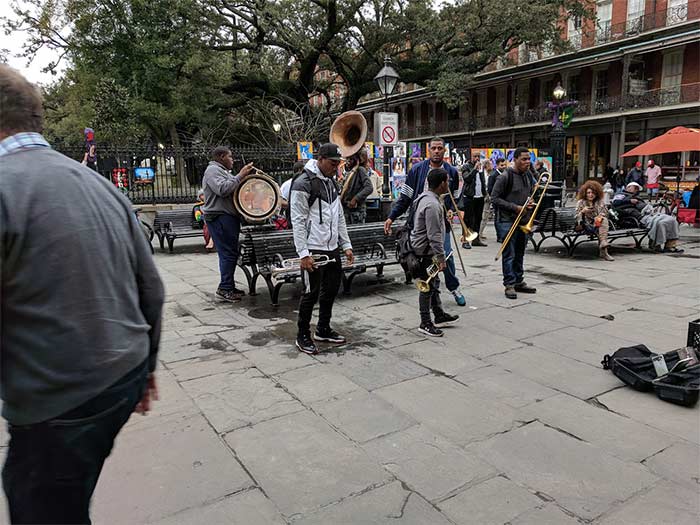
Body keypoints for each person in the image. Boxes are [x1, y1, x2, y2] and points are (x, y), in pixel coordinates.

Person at [0, 64, 164, 524]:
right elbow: (151, 287)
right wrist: (147, 368)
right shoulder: (101, 186)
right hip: (123, 374)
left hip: (61, 399)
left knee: (42, 505)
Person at [384, 137, 467, 307]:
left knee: (446, 255)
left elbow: (456, 198)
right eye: (433, 148)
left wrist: (453, 210)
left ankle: (454, 287)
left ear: (445, 150)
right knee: (425, 260)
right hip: (418, 224)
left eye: (440, 148)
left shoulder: (451, 172)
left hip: (440, 221)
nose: (437, 151)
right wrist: (391, 216)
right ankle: (430, 297)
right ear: (428, 150)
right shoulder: (416, 170)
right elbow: (405, 197)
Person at [290, 143, 354, 354]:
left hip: (332, 246)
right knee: (310, 293)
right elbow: (298, 220)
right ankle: (302, 335)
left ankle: (323, 329)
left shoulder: (331, 182)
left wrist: (346, 245)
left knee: (331, 290)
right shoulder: (303, 182)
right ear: (321, 159)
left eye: (338, 164)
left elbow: (339, 216)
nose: (336, 168)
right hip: (313, 247)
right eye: (333, 163)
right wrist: (304, 253)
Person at [410, 168, 460, 337]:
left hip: (423, 248)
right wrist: (440, 257)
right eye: (447, 181)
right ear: (442, 184)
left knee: (434, 283)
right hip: (425, 251)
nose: (449, 184)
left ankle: (438, 314)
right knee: (427, 286)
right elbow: (434, 235)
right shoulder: (431, 204)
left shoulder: (427, 198)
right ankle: (425, 322)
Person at [201, 147, 254, 302]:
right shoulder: (212, 170)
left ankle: (228, 286)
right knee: (227, 254)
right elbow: (223, 189)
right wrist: (240, 175)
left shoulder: (221, 171)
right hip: (220, 217)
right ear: (222, 156)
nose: (233, 160)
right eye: (230, 157)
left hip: (227, 217)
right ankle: (224, 288)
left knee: (231, 253)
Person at [491, 147, 538, 300]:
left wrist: (529, 203)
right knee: (509, 254)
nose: (527, 162)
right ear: (515, 160)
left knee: (520, 252)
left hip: (523, 220)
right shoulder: (505, 177)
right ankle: (509, 284)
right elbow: (494, 198)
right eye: (523, 159)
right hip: (507, 220)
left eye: (528, 159)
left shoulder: (528, 175)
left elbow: (530, 192)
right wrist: (515, 207)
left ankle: (518, 280)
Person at [612, 182, 684, 253]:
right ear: (628, 187)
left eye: (637, 189)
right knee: (661, 222)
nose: (636, 190)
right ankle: (655, 245)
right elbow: (615, 203)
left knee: (671, 220)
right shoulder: (621, 195)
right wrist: (629, 201)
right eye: (635, 188)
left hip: (650, 214)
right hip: (639, 217)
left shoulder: (637, 197)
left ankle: (670, 245)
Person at [575, 180, 614, 261]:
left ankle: (603, 245)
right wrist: (582, 212)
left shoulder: (600, 202)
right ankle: (604, 250)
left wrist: (601, 215)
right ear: (585, 193)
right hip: (585, 225)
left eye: (593, 193)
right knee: (602, 224)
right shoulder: (581, 202)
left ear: (596, 193)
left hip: (598, 224)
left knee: (603, 220)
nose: (590, 195)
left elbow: (606, 214)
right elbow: (576, 218)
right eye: (588, 193)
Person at [460, 156, 487, 248]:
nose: (477, 158)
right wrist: (474, 169)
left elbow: (482, 181)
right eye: (475, 156)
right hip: (469, 196)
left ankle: (476, 239)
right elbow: (467, 179)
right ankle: (465, 240)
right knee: (468, 220)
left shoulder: (481, 167)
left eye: (478, 156)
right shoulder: (466, 167)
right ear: (471, 157)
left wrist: (485, 193)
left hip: (480, 196)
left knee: (478, 219)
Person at [340, 150, 373, 224]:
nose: (348, 161)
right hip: (346, 209)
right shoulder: (349, 171)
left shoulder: (360, 170)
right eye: (347, 159)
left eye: (351, 159)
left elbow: (369, 187)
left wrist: (355, 199)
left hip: (356, 211)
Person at [479, 159, 494, 241]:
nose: (492, 166)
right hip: (485, 196)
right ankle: (479, 233)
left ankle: (481, 233)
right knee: (484, 216)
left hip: (487, 196)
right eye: (490, 164)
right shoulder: (484, 174)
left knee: (485, 216)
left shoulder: (489, 174)